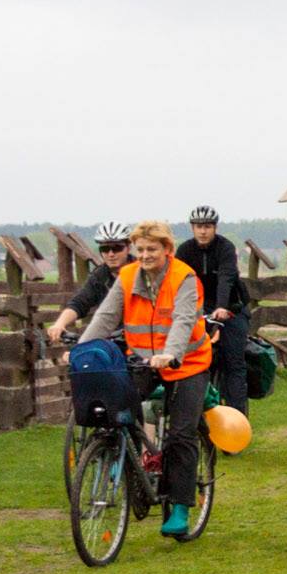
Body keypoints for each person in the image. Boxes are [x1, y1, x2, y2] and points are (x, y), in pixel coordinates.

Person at [80, 220, 215, 538]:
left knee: (181, 434)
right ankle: (138, 471)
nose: (144, 255)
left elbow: (183, 320)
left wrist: (171, 353)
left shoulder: (184, 277)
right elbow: (106, 317)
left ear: (167, 250)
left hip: (187, 363)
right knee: (118, 410)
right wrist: (83, 349)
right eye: (139, 250)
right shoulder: (127, 277)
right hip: (143, 361)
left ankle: (180, 506)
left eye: (151, 249)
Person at [176, 205, 250, 413]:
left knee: (233, 365)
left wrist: (221, 307)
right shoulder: (184, 250)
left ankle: (237, 424)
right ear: (192, 228)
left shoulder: (225, 248)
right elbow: (178, 282)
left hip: (230, 308)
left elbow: (226, 279)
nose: (203, 231)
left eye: (207, 226)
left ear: (214, 228)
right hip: (199, 309)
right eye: (198, 226)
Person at [45, 219, 132, 344]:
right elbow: (80, 302)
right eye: (105, 249)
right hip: (110, 340)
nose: (111, 254)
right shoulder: (100, 276)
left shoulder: (141, 272)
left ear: (128, 248)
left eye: (117, 248)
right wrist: (59, 324)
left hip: (140, 340)